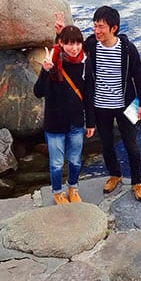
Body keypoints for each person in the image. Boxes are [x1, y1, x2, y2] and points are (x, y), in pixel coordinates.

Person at [76, 6, 141, 201]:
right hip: (100, 105)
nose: (97, 30)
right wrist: (60, 33)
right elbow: (72, 50)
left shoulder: (127, 48)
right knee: (106, 144)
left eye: (101, 27)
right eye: (95, 26)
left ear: (113, 28)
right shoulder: (91, 45)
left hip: (127, 104)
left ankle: (137, 182)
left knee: (131, 144)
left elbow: (139, 76)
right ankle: (114, 174)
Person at [34, 25, 96, 204]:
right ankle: (57, 192)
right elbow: (38, 92)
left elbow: (89, 94)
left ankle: (73, 187)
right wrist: (45, 71)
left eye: (77, 43)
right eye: (69, 43)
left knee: (76, 161)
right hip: (54, 125)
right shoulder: (53, 63)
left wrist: (90, 122)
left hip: (76, 123)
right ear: (61, 44)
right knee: (56, 164)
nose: (74, 47)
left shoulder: (85, 62)